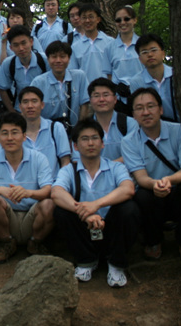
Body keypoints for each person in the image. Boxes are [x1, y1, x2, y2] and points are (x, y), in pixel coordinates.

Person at [120, 88, 181, 260]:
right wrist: (155, 184)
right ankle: (153, 241)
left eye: (150, 106)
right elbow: (140, 177)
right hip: (152, 190)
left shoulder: (179, 131)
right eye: (139, 108)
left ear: (160, 109)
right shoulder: (128, 141)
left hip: (178, 189)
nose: (146, 112)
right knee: (141, 196)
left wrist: (168, 180)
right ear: (133, 115)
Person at [52, 119, 139, 287]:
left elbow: (128, 189)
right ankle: (86, 260)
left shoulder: (115, 168)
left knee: (129, 209)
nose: (90, 143)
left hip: (111, 228)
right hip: (84, 229)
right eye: (84, 139)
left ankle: (116, 263)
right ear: (75, 146)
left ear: (102, 143)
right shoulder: (69, 170)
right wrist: (85, 213)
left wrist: (96, 205)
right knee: (61, 212)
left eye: (95, 138)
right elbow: (56, 193)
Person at [0, 112, 55, 264]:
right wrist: (1, 190)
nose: (10, 138)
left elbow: (48, 190)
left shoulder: (39, 158)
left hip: (32, 216)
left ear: (24, 136)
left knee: (50, 204)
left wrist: (28, 193)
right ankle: (6, 242)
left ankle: (35, 243)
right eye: (4, 133)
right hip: (7, 217)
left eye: (15, 132)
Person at [30, 41, 90, 130]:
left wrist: (79, 130)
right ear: (48, 59)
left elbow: (85, 105)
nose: (58, 60)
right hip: (47, 131)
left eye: (62, 56)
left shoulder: (79, 76)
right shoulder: (38, 82)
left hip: (74, 130)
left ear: (69, 59)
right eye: (54, 57)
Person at [17, 86, 70, 182]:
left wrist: (60, 184)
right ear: (20, 107)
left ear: (42, 105)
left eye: (34, 101)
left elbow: (65, 161)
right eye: (25, 102)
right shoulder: (14, 133)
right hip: (24, 186)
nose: (30, 106)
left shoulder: (56, 128)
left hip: (53, 184)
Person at [127, 34, 179, 122]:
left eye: (154, 50)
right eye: (144, 52)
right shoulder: (136, 82)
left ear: (163, 53)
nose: (150, 54)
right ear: (140, 59)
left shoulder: (176, 75)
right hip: (152, 126)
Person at [0, 25, 49, 112]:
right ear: (11, 48)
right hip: (20, 111)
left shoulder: (45, 60)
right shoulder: (8, 63)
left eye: (23, 43)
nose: (21, 48)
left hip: (44, 110)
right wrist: (13, 112)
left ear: (31, 42)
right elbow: (2, 89)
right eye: (16, 45)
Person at [86, 78, 136, 161]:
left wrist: (108, 166)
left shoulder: (130, 123)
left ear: (115, 99)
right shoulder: (84, 128)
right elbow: (79, 158)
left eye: (106, 95)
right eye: (96, 96)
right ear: (90, 101)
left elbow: (135, 153)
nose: (101, 99)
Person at [69, 3, 112, 83]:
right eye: (84, 17)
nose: (87, 20)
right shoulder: (75, 47)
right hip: (85, 89)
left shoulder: (110, 42)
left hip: (107, 88)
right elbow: (73, 73)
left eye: (91, 17)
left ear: (98, 19)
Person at [109, 5, 142, 92]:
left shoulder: (143, 44)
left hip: (142, 93)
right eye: (118, 20)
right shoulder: (109, 47)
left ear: (135, 20)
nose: (122, 22)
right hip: (119, 95)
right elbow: (108, 75)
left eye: (126, 19)